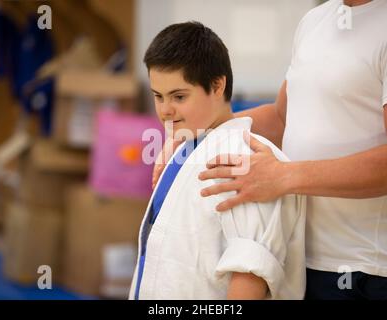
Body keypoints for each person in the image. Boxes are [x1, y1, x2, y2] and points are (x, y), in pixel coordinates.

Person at [191, 0, 387, 299]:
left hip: (379, 273)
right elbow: (281, 118)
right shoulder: (315, 21)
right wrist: (196, 133)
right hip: (304, 261)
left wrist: (285, 177)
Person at [129, 21, 306, 300]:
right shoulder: (185, 148)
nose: (165, 110)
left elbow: (250, 274)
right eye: (158, 96)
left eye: (179, 96)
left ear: (217, 85)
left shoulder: (246, 160)